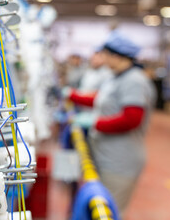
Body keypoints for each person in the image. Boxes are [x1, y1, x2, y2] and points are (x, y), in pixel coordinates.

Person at [63, 32, 156, 216]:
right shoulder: (116, 77)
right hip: (105, 155)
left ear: (116, 56)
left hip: (120, 161)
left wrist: (95, 123)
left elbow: (132, 119)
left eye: (104, 54)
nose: (101, 58)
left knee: (109, 212)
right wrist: (73, 95)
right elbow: (102, 100)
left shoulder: (134, 80)